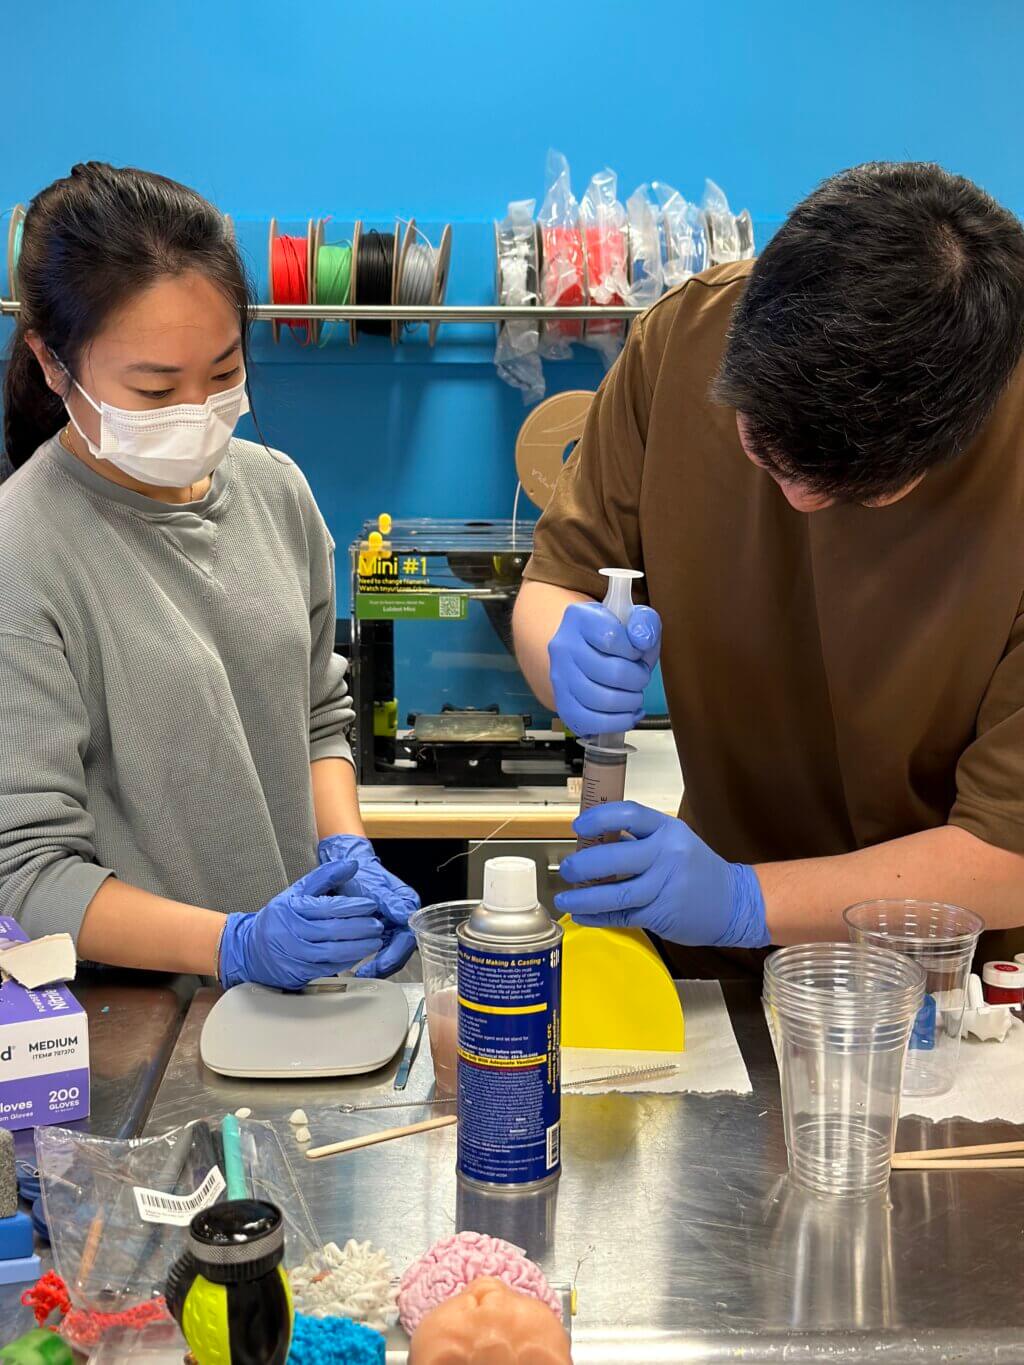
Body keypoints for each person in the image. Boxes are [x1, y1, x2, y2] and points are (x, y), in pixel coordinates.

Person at [513, 161, 1024, 976]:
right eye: (761, 447)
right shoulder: (683, 340)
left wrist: (747, 899)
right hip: (715, 961)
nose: (794, 501)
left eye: (849, 490)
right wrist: (559, 652)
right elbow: (558, 581)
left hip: (952, 983)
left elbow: (1010, 850)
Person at [0, 162, 417, 988]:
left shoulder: (277, 491)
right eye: (155, 389)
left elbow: (317, 717)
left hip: (303, 997)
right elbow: (28, 873)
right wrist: (235, 945)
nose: (198, 410)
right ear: (54, 364)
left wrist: (347, 846)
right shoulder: (25, 549)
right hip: (140, 1020)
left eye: (224, 373)